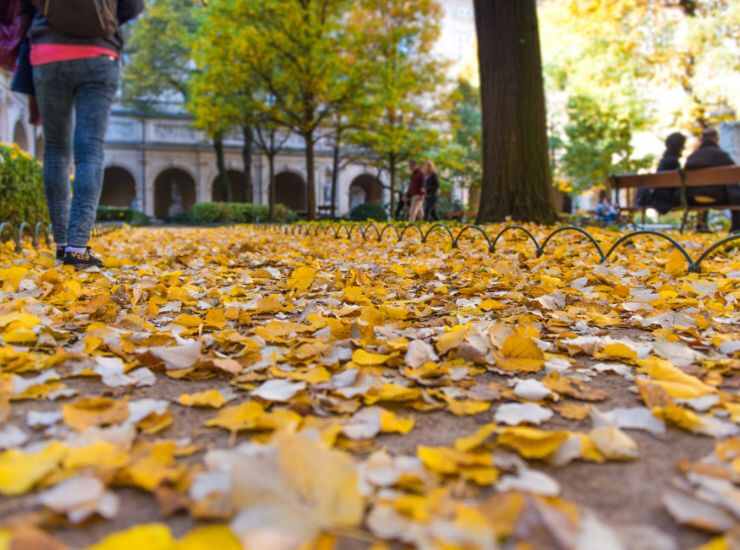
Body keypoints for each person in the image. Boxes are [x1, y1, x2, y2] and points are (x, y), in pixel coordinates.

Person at [19, 0, 144, 268]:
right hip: (99, 52)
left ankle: (62, 244)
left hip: (47, 52)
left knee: (55, 150)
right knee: (90, 151)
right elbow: (133, 6)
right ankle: (77, 248)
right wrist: (102, 21)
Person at [684, 128, 739, 233]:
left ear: (702, 140)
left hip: (692, 198)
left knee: (704, 190)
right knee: (734, 193)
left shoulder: (692, 157)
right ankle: (736, 228)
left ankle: (701, 226)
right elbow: (735, 175)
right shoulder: (721, 155)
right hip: (718, 197)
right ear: (715, 139)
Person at [638, 132, 686, 215]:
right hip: (667, 200)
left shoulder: (664, 161)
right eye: (683, 145)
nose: (684, 148)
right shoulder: (673, 162)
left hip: (658, 198)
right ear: (680, 146)